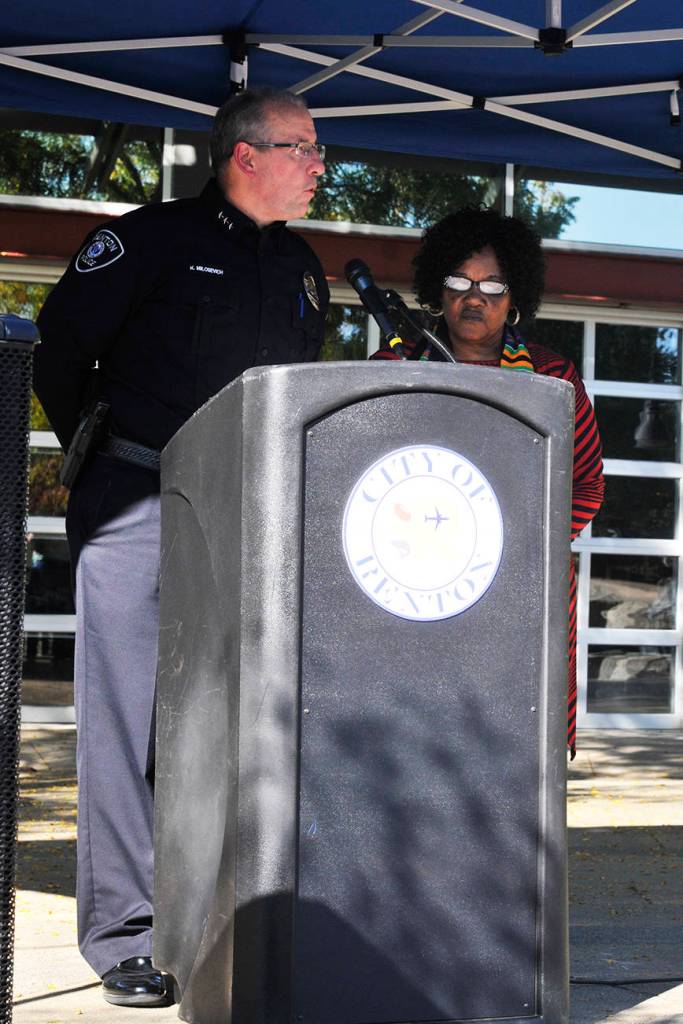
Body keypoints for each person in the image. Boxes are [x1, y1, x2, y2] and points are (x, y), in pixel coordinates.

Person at [33, 87, 328, 1007]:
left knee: (241, 720)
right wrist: (107, 462)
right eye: (306, 149)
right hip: (138, 501)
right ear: (246, 154)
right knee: (126, 721)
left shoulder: (304, 268)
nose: (321, 167)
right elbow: (58, 353)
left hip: (252, 517)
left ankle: (220, 915)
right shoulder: (149, 240)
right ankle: (122, 932)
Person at [372, 205, 604, 757]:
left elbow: (588, 486)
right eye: (459, 281)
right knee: (420, 738)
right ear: (438, 290)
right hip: (418, 583)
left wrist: (522, 538)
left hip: (523, 581)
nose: (474, 297)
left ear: (515, 294)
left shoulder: (554, 378)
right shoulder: (393, 366)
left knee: (518, 745)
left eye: (492, 284)